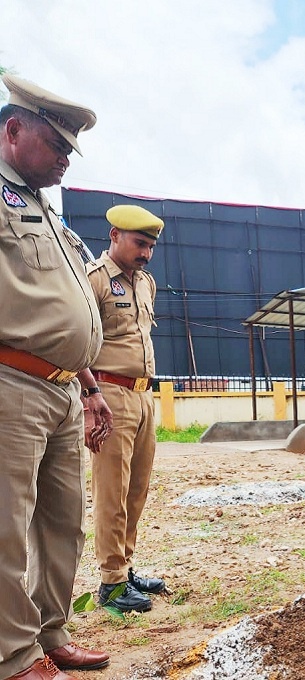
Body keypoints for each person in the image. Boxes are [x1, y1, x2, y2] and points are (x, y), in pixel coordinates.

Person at [0, 74, 111, 679]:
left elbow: (65, 308)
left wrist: (91, 388)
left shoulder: (44, 210)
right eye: (58, 145)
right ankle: (13, 656)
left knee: (62, 522)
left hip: (65, 390)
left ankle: (51, 634)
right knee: (5, 529)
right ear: (13, 130)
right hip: (11, 385)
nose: (67, 158)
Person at [78, 205, 167, 613]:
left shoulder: (145, 283)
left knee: (136, 489)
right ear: (114, 235)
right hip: (108, 394)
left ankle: (124, 568)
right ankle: (110, 581)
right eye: (139, 243)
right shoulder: (93, 281)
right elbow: (78, 342)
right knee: (111, 489)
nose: (146, 253)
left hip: (144, 395)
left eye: (150, 246)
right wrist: (88, 399)